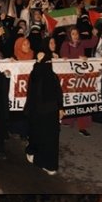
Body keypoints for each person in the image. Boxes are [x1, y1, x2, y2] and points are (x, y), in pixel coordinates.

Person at [25, 47, 63, 175]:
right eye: (44, 62)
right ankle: (33, 153)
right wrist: (38, 62)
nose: (47, 64)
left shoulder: (53, 76)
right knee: (37, 135)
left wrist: (61, 108)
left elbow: (58, 93)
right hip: (37, 111)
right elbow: (33, 89)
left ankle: (49, 164)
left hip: (51, 112)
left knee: (51, 139)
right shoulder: (36, 74)